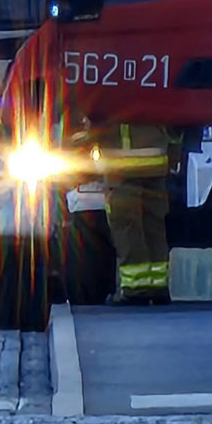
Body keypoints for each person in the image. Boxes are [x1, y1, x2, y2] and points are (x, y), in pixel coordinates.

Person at [82, 122, 172, 304]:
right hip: (156, 161)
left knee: (127, 226)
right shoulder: (154, 92)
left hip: (122, 166)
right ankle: (158, 287)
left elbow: (96, 116)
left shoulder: (113, 94)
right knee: (153, 226)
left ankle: (135, 289)